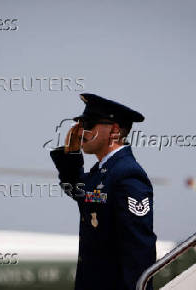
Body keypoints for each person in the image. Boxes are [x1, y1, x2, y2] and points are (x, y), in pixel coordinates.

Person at [50, 93, 157, 290]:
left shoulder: (128, 174)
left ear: (114, 130)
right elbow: (79, 192)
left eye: (89, 124)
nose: (82, 131)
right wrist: (71, 155)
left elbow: (139, 249)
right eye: (81, 125)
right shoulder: (103, 171)